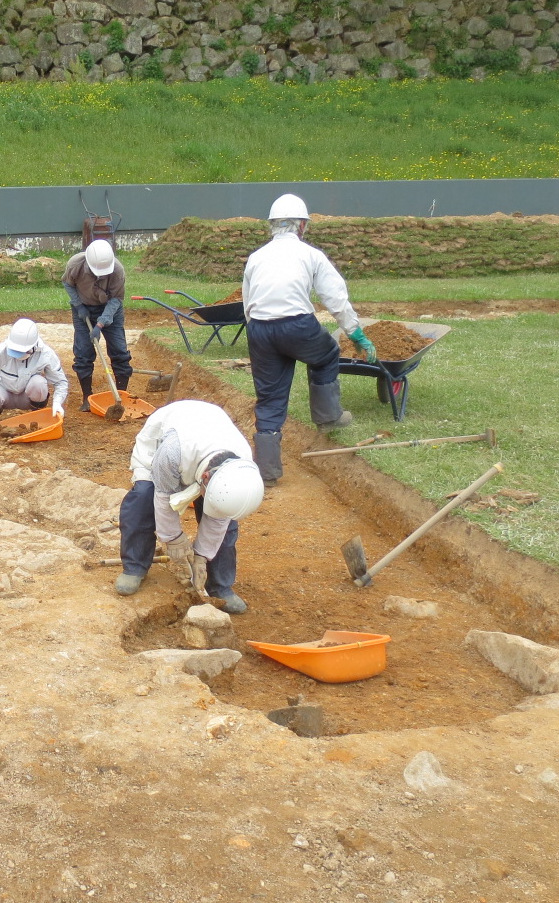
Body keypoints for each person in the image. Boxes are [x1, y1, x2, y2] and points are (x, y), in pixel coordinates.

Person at [241, 193, 376, 486]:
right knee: (327, 354)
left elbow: (247, 302)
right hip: (297, 324)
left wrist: (264, 339)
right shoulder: (311, 255)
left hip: (260, 329)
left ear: (273, 225)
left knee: (270, 398)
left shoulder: (256, 257)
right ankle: (328, 417)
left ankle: (267, 472)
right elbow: (336, 298)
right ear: (302, 225)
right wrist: (356, 334)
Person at [115, 399, 264, 613]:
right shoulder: (171, 454)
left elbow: (220, 517)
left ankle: (220, 587)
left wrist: (202, 555)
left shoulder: (240, 467)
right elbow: (164, 499)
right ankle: (134, 567)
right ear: (204, 477)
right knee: (142, 499)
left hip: (205, 441)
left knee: (227, 525)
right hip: (161, 444)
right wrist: (174, 540)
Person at [64, 238, 131, 411]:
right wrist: (78, 305)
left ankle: (121, 396)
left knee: (120, 351)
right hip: (83, 309)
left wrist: (100, 324)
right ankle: (87, 397)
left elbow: (116, 299)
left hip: (110, 309)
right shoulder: (75, 264)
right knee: (83, 353)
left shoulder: (117, 270)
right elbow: (68, 284)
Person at [0, 318, 69, 425]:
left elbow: (60, 382)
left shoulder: (46, 354)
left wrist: (57, 403)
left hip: (27, 398)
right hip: (4, 395)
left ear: (33, 348)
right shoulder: (1, 351)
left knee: (39, 383)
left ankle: (36, 417)